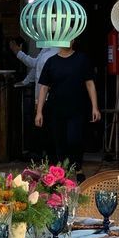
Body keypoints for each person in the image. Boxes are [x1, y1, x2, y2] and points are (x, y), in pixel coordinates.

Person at [35, 44, 100, 177]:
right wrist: (39, 111)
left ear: (74, 39)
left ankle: (77, 168)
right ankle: (60, 173)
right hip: (55, 109)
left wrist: (95, 107)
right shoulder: (51, 61)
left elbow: (90, 83)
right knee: (58, 141)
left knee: (74, 139)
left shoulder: (82, 59)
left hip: (77, 108)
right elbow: (44, 87)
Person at [9, 39, 58, 158]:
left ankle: (51, 158)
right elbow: (36, 67)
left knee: (49, 129)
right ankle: (42, 156)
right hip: (40, 96)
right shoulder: (47, 48)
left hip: (50, 97)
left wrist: (18, 53)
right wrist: (25, 81)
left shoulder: (55, 50)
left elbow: (35, 65)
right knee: (41, 128)